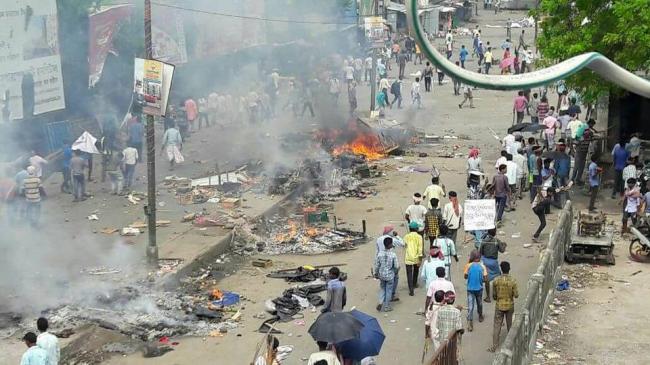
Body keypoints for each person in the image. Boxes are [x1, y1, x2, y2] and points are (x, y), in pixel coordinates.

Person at [488, 261, 518, 353]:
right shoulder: (513, 281)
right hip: (509, 305)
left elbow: (494, 295)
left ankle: (494, 346)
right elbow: (516, 295)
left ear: (501, 269)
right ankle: (511, 346)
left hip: (499, 305)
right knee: (510, 325)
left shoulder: (496, 280)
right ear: (509, 269)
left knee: (497, 325)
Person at [479, 228, 507, 301]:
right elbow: (502, 250)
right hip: (494, 262)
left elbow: (480, 252)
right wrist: (504, 245)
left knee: (487, 279)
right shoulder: (496, 241)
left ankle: (488, 297)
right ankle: (496, 294)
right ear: (495, 233)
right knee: (498, 277)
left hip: (485, 261)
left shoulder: (484, 241)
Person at [464, 250, 487, 332]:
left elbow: (465, 276)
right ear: (479, 257)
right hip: (479, 289)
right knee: (479, 303)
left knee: (470, 306)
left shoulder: (468, 266)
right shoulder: (482, 266)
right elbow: (485, 278)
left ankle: (470, 323)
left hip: (470, 289)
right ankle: (480, 315)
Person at [374, 237, 399, 312]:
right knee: (389, 290)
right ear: (390, 245)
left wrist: (376, 273)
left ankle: (380, 302)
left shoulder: (380, 254)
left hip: (381, 274)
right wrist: (396, 271)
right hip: (390, 275)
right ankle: (387, 306)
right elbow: (396, 266)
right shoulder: (393, 255)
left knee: (382, 289)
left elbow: (377, 265)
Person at [404, 221, 424, 296]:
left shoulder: (406, 236)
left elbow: (404, 245)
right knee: (416, 271)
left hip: (408, 258)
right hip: (416, 258)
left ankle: (411, 289)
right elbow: (420, 249)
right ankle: (414, 284)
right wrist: (420, 259)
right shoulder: (419, 237)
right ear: (416, 229)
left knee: (409, 274)